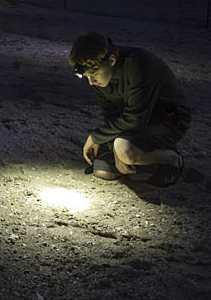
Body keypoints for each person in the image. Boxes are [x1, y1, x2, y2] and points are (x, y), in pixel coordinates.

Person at [69, 32, 191, 187]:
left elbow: (136, 119)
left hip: (168, 120)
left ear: (112, 60)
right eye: (86, 77)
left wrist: (96, 137)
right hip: (132, 123)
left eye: (94, 75)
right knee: (104, 171)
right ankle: (138, 157)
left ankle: (171, 159)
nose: (91, 82)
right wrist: (112, 147)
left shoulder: (139, 64)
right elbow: (111, 114)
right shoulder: (101, 77)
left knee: (124, 149)